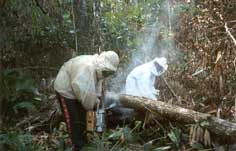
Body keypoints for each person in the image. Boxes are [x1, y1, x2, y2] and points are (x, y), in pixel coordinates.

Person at [54, 51, 119, 151]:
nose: (107, 74)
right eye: (107, 71)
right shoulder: (86, 68)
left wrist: (97, 99)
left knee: (82, 117)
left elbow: (97, 86)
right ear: (103, 64)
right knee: (73, 120)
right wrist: (94, 105)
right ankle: (77, 145)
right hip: (66, 89)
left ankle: (84, 140)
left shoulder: (98, 67)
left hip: (76, 89)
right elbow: (85, 95)